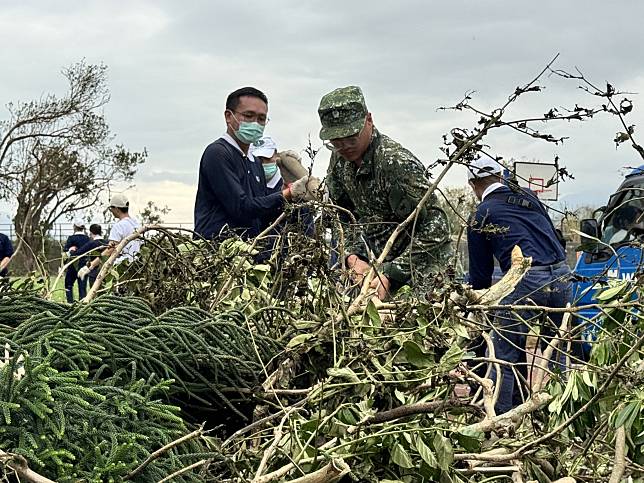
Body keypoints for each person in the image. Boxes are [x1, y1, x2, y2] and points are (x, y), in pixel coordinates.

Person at [319, 85, 453, 300]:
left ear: (369, 120)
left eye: (351, 138)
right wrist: (353, 257)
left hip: (429, 272)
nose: (344, 147)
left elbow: (436, 227)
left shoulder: (395, 163)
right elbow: (343, 216)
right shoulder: (339, 162)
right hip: (381, 272)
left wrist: (392, 273)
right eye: (336, 142)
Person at [466, 156, 571, 414]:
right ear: (501, 176)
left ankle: (502, 420)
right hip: (561, 274)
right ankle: (562, 416)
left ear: (472, 184)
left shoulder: (481, 214)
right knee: (557, 351)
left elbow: (480, 276)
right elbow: (554, 237)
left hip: (525, 279)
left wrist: (473, 301)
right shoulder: (529, 196)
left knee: (503, 354)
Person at [193, 87, 319, 241]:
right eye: (248, 116)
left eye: (261, 118)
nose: (255, 123)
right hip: (217, 249)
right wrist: (288, 193)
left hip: (248, 250)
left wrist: (291, 192)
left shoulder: (253, 162)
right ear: (228, 116)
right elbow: (241, 207)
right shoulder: (218, 153)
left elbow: (263, 213)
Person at [78, 194, 142, 281]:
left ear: (117, 209)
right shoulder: (136, 224)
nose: (111, 211)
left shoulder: (119, 226)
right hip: (138, 266)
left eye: (111, 208)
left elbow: (110, 251)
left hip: (123, 267)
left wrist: (90, 266)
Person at [63, 220, 90, 303]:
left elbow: (66, 251)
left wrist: (69, 250)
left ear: (74, 227)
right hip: (84, 265)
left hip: (72, 265)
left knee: (68, 285)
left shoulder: (71, 238)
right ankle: (82, 304)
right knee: (82, 286)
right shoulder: (87, 239)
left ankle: (70, 303)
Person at [74, 224, 107, 288]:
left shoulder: (92, 243)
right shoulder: (107, 243)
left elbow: (79, 252)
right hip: (104, 270)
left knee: (93, 291)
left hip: (93, 271)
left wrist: (72, 250)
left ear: (91, 232)